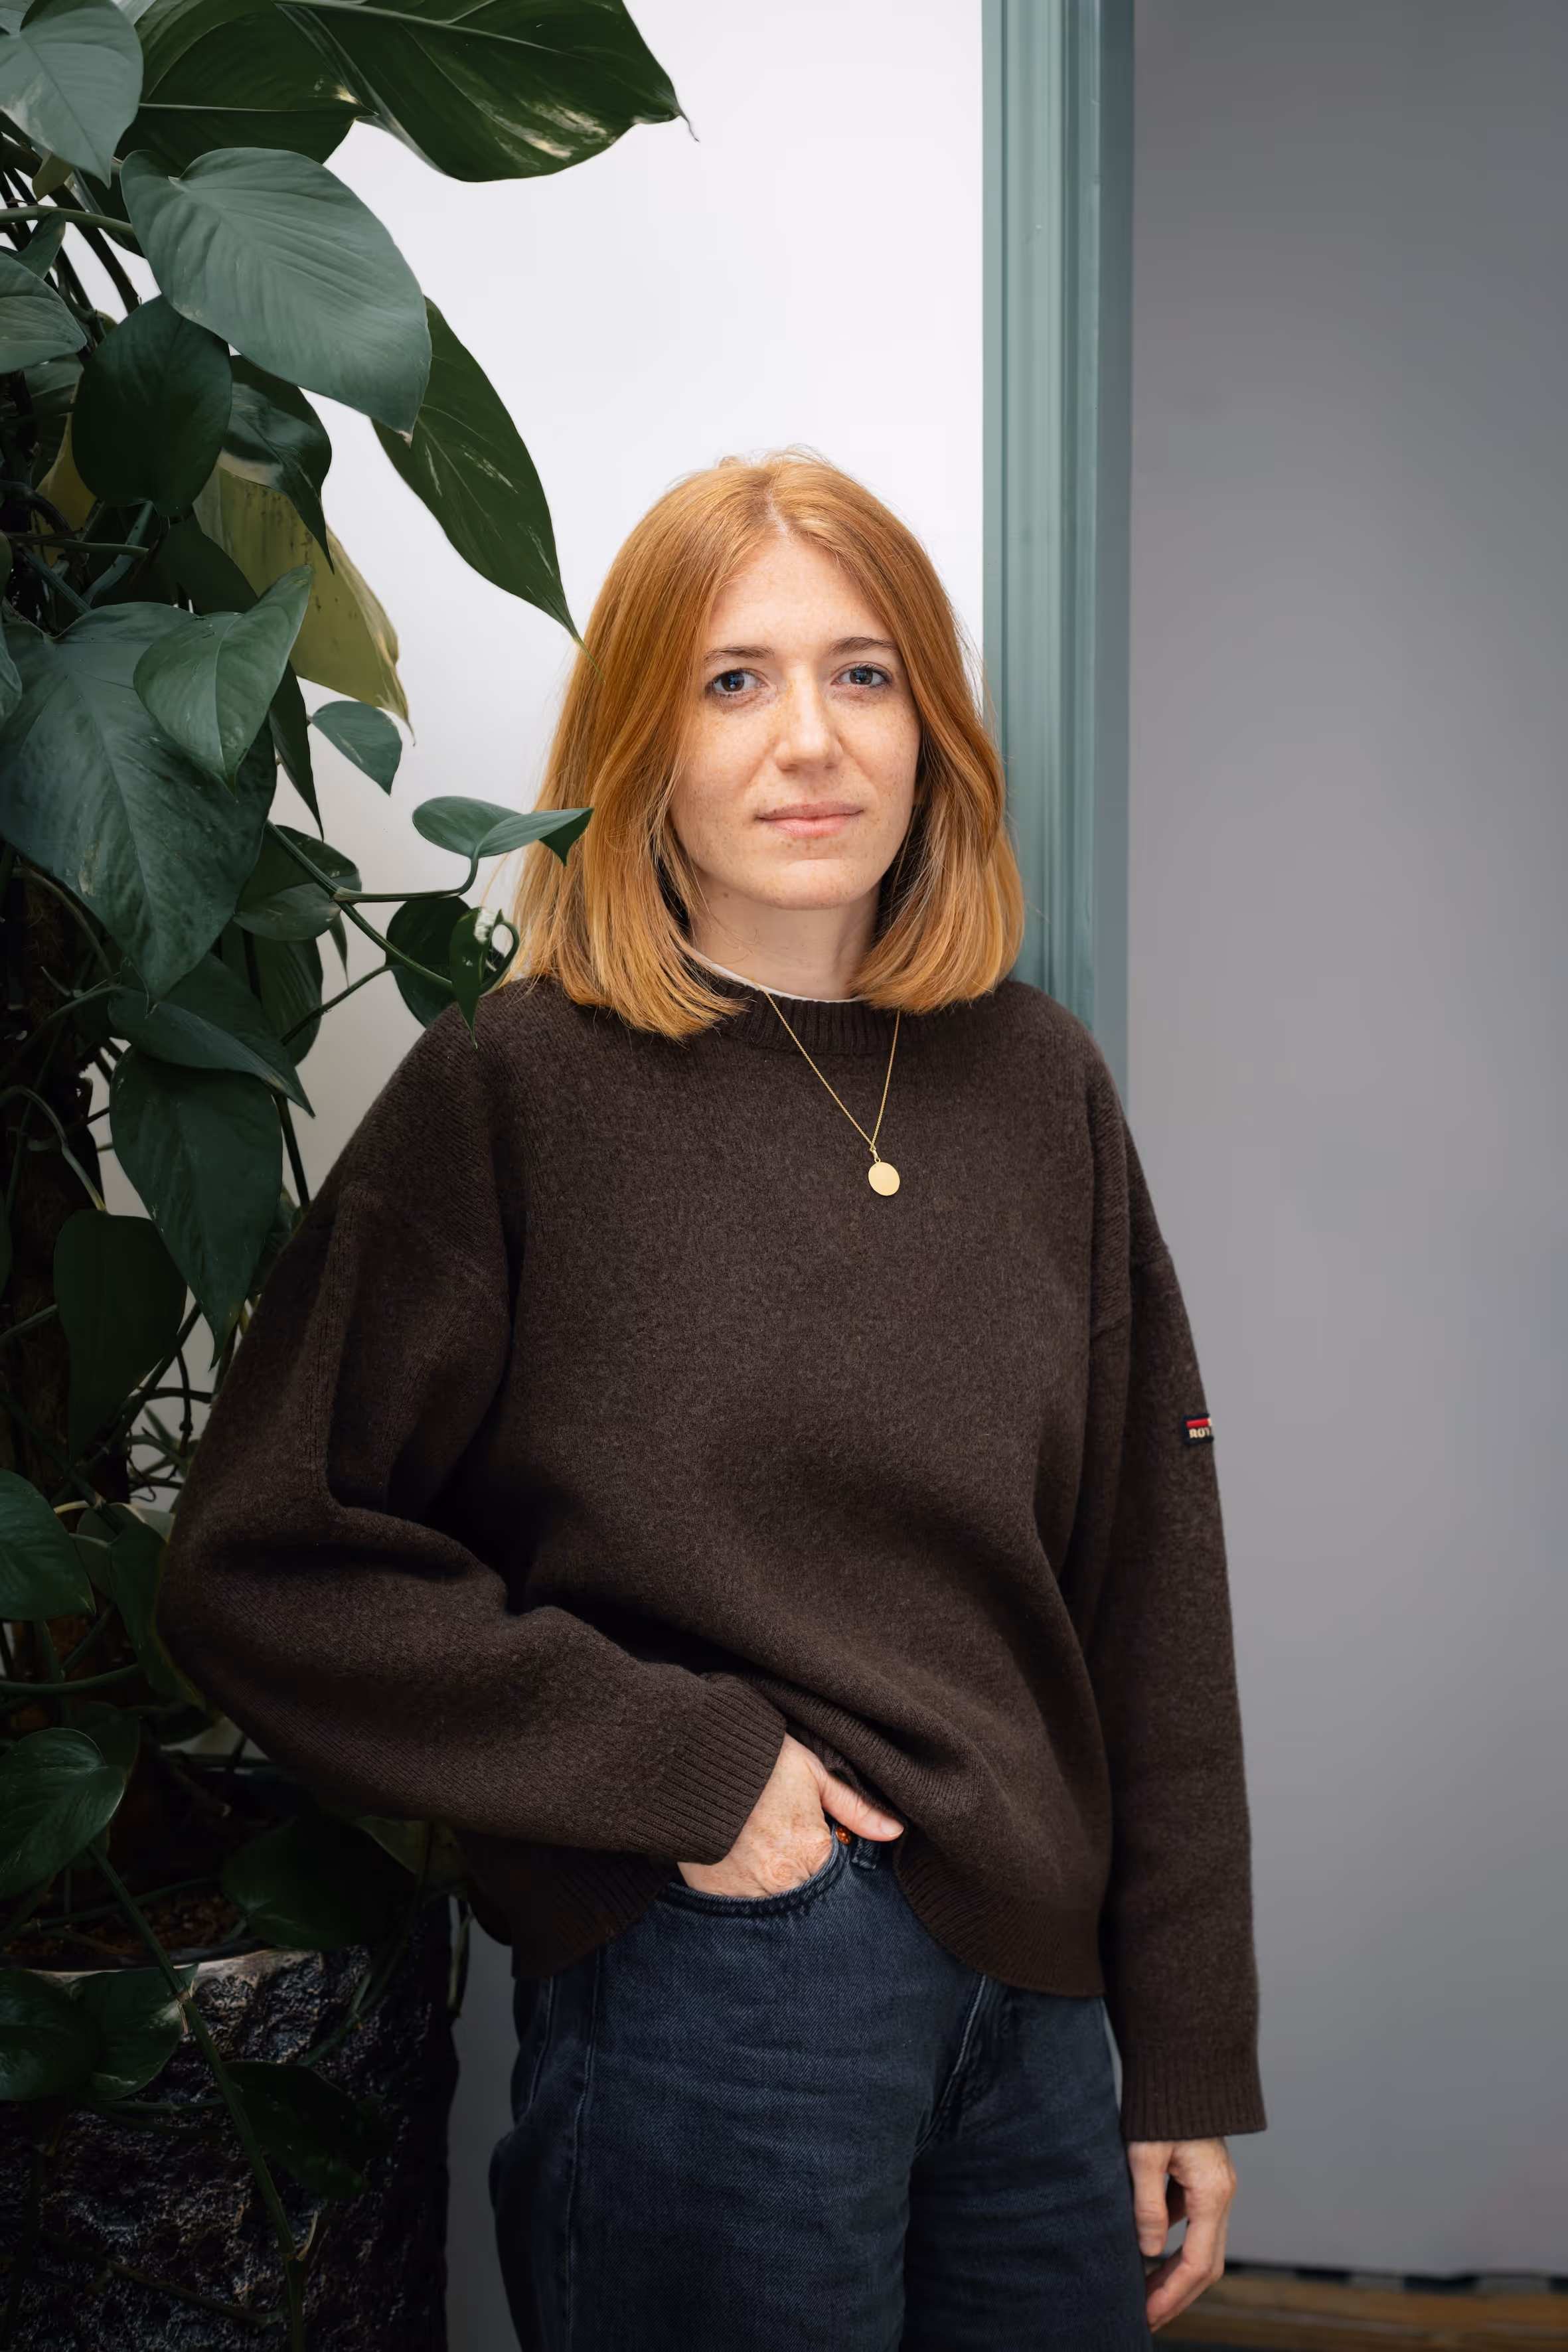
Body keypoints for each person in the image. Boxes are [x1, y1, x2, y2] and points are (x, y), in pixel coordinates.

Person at [161, 452, 1265, 2349]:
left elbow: (1146, 1584)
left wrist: (1182, 2042)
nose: (810, 738)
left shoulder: (1040, 1084)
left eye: (865, 672)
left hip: (1035, 1996)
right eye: (734, 679)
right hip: (734, 1983)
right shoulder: (518, 1090)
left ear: (933, 730)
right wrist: (695, 1769)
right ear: (642, 737)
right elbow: (267, 1556)